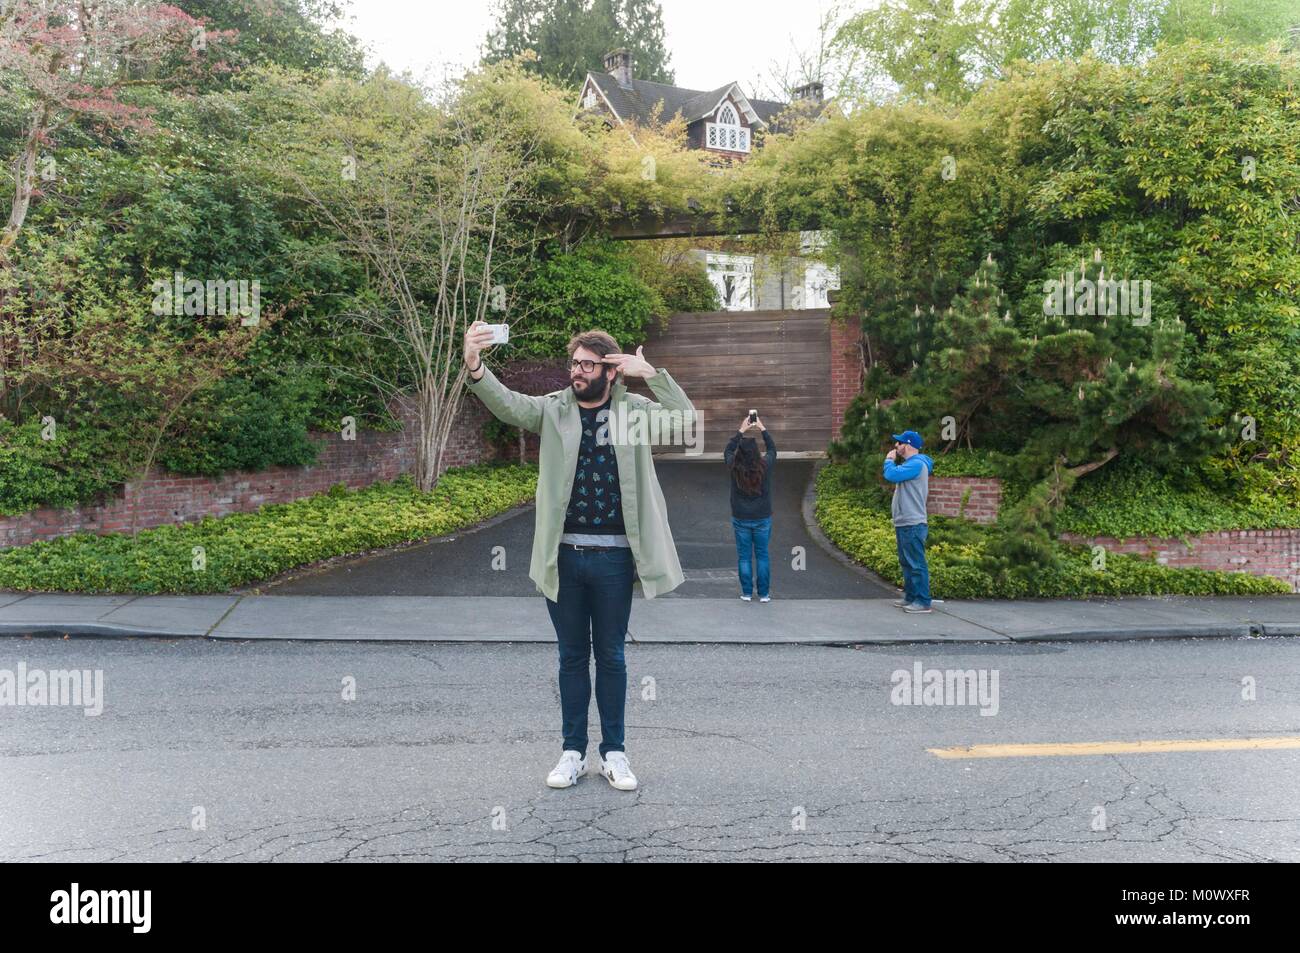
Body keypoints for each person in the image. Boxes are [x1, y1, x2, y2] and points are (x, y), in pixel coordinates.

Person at [463, 322, 695, 792]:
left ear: (610, 371)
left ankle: (614, 753)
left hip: (614, 559)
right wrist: (474, 364)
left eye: (588, 364)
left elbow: (687, 421)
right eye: (574, 363)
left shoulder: (634, 412)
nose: (577, 372)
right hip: (563, 557)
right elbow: (508, 404)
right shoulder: (554, 410)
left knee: (610, 657)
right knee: (571, 657)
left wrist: (651, 373)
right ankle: (573, 752)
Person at [724, 413, 776, 602]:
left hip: (741, 518)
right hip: (762, 517)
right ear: (756, 452)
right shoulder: (765, 465)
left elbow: (727, 451)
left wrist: (741, 430)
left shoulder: (733, 466)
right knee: (762, 555)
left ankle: (746, 593)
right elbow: (772, 449)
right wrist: (762, 428)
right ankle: (764, 594)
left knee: (744, 557)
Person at [883, 430, 935, 613]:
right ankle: (911, 597)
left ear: (908, 445)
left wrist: (889, 460)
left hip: (912, 522)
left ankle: (923, 601)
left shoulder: (916, 464)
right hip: (905, 522)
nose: (896, 446)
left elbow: (890, 475)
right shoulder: (910, 465)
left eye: (899, 443)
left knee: (916, 564)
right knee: (907, 563)